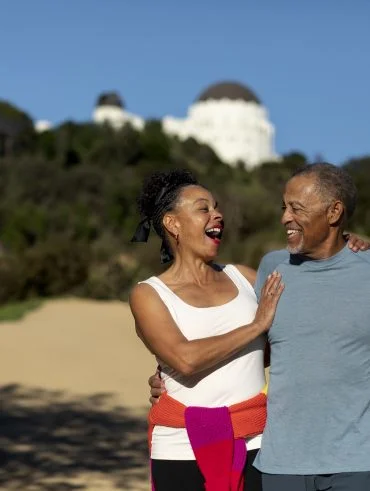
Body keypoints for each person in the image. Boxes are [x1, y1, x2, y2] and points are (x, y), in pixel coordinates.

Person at [148, 164, 370, 491]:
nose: (285, 218)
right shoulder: (272, 267)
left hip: (357, 462)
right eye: (284, 208)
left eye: (297, 208)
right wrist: (169, 375)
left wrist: (354, 244)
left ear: (334, 211)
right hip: (279, 463)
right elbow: (262, 347)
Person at [129, 169, 284, 491]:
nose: (218, 215)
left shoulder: (244, 276)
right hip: (180, 448)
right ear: (173, 224)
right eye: (203, 208)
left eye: (216, 207)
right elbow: (185, 359)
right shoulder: (149, 293)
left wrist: (346, 248)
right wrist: (256, 325)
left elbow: (287, 340)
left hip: (259, 440)